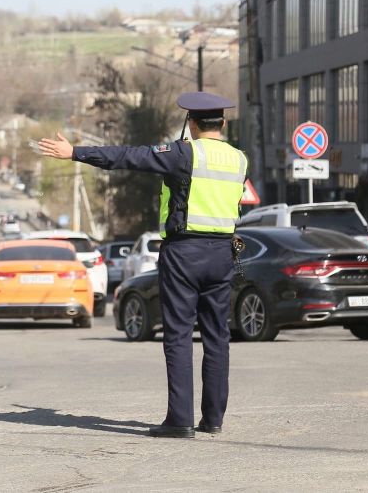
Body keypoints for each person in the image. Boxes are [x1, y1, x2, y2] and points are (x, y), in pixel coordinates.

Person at [38, 91, 248, 439]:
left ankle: (179, 421)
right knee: (217, 337)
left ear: (191, 124)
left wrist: (75, 152)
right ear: (223, 124)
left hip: (185, 251)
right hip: (223, 252)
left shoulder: (184, 152)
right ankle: (213, 420)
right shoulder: (240, 159)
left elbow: (127, 157)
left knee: (179, 335)